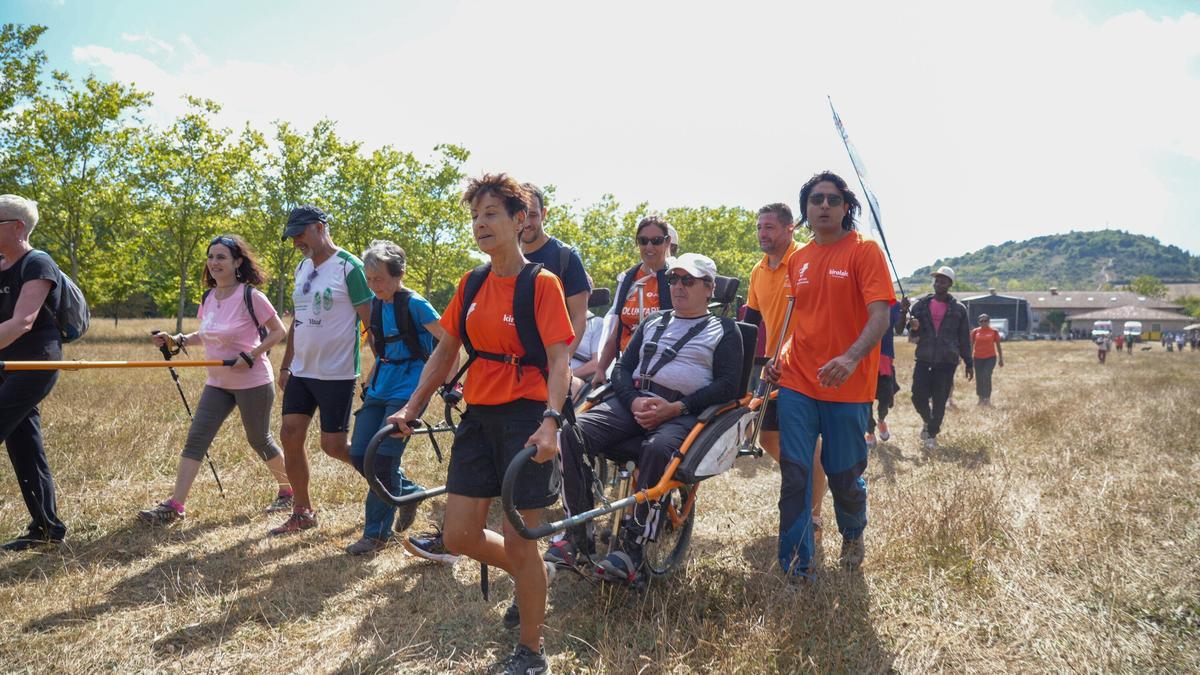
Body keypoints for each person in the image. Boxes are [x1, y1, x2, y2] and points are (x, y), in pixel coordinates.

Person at [388, 174, 572, 674]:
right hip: (479, 416)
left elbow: (560, 362)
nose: (480, 224)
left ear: (520, 220)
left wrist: (551, 423)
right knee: (458, 536)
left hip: (528, 420)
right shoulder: (470, 282)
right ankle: (535, 573)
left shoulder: (542, 283)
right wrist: (411, 407)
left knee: (520, 539)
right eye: (474, 216)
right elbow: (445, 352)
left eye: (491, 214)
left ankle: (532, 652)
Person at [548, 253, 742, 585]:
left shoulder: (724, 330)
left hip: (684, 413)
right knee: (571, 433)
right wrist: (634, 399)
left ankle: (632, 548)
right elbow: (622, 368)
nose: (678, 286)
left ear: (709, 288)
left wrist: (675, 409)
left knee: (657, 450)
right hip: (632, 401)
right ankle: (576, 534)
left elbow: (728, 386)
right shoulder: (653, 321)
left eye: (688, 280)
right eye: (674, 279)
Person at [762, 172, 893, 581]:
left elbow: (881, 316)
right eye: (815, 199)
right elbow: (798, 322)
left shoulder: (865, 252)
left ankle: (853, 534)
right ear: (805, 209)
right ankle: (798, 567)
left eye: (832, 200)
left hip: (847, 385)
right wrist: (778, 357)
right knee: (795, 472)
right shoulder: (798, 260)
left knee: (843, 474)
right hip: (799, 380)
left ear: (845, 207)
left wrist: (851, 358)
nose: (823, 205)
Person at [138, 235, 291, 525]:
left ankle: (288, 490)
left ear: (238, 262)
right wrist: (178, 339)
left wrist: (252, 354)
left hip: (253, 382)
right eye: (211, 257)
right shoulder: (208, 297)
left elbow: (278, 331)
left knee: (259, 439)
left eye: (221, 257)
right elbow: (206, 334)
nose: (214, 262)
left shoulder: (251, 296)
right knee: (196, 439)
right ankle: (175, 505)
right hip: (218, 383)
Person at [271, 205, 374, 535]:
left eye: (300, 234)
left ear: (319, 227)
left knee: (333, 446)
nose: (296, 241)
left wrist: (378, 369)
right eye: (292, 236)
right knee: (290, 434)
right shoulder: (302, 268)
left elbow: (372, 324)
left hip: (337, 374)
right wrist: (287, 364)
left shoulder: (350, 267)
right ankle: (302, 510)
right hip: (302, 371)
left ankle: (389, 481)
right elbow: (298, 322)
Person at [343, 240, 449, 555]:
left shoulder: (417, 305)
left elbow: (449, 342)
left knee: (383, 459)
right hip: (381, 384)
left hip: (410, 387)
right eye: (369, 279)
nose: (373, 285)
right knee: (361, 453)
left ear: (398, 274)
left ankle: (376, 534)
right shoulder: (376, 305)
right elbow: (383, 347)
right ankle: (410, 493)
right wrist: (370, 377)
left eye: (379, 279)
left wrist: (449, 384)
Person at [743, 203, 829, 536]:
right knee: (767, 437)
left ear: (789, 228)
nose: (763, 233)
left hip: (807, 366)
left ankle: (815, 515)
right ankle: (806, 481)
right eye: (760, 227)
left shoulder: (806, 261)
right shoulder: (758, 271)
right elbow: (750, 323)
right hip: (773, 368)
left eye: (770, 227)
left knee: (807, 444)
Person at [0, 195, 68, 551]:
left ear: (17, 227)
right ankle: (46, 528)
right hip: (6, 364)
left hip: (35, 364)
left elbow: (23, 322)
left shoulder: (37, 263)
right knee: (24, 445)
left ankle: (46, 527)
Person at [592, 216, 675, 386]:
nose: (649, 247)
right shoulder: (628, 279)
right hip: (627, 369)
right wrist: (601, 369)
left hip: (662, 372)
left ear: (668, 242)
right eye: (643, 241)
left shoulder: (677, 278)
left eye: (656, 241)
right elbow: (618, 329)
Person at [520, 183, 591, 363]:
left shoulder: (566, 257)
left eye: (533, 215)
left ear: (544, 214)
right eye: (522, 216)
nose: (527, 223)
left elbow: (579, 318)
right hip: (513, 364)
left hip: (550, 360)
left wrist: (560, 364)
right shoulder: (505, 257)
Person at [907, 266, 973, 450]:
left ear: (950, 284)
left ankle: (932, 436)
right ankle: (928, 423)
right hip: (924, 358)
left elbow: (964, 338)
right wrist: (913, 325)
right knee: (917, 397)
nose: (938, 283)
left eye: (943, 280)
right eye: (937, 280)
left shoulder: (959, 309)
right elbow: (909, 330)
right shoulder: (920, 305)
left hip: (947, 361)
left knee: (939, 400)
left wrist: (969, 362)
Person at [867, 297, 909, 446]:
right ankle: (870, 431)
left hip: (884, 358)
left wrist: (904, 311)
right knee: (864, 401)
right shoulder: (860, 301)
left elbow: (898, 329)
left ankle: (881, 420)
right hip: (863, 357)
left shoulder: (895, 305)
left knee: (885, 397)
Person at [970, 314, 1004, 406]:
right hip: (977, 357)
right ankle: (980, 398)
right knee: (979, 377)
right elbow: (971, 345)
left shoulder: (994, 331)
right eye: (981, 321)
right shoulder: (975, 331)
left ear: (989, 321)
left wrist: (1001, 358)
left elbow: (998, 346)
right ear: (978, 322)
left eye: (985, 321)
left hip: (990, 357)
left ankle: (987, 398)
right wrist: (969, 358)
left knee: (986, 375)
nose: (983, 322)